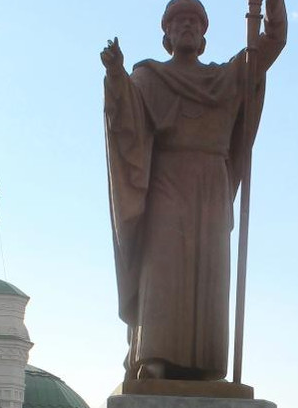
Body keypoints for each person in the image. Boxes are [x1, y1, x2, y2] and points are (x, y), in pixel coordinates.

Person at [102, 0, 287, 382]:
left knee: (211, 271)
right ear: (166, 35)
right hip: (167, 180)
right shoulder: (149, 77)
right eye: (178, 21)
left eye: (194, 21)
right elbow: (127, 125)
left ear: (204, 35)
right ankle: (152, 355)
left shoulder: (227, 77)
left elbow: (275, 38)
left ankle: (206, 364)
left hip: (212, 185)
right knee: (164, 266)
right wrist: (116, 76)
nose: (186, 26)